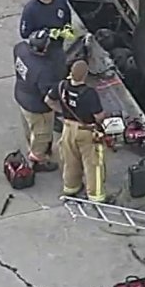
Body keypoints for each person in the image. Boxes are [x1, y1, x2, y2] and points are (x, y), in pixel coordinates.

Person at [46, 59, 110, 202]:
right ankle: (96, 195)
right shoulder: (89, 93)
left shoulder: (61, 86)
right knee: (93, 164)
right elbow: (98, 116)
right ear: (84, 75)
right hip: (86, 131)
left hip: (68, 128)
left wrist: (63, 113)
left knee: (70, 160)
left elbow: (48, 101)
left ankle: (71, 187)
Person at [13, 30, 65, 172]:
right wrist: (62, 111)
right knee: (42, 134)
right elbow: (48, 97)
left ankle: (31, 147)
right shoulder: (43, 70)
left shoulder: (20, 49)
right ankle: (39, 159)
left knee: (29, 127)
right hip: (38, 107)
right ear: (45, 48)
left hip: (21, 95)